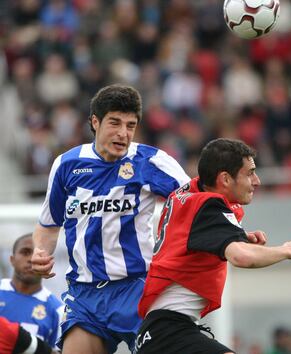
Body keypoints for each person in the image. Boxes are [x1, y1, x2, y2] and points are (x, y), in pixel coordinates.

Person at [30, 84, 190, 354]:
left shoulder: (151, 162)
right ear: (95, 121)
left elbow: (198, 204)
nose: (123, 133)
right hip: (85, 295)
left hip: (139, 289)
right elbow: (48, 224)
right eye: (115, 123)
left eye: (130, 125)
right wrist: (39, 252)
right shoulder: (66, 165)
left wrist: (231, 235)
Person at [135, 138, 291, 354]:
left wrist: (236, 235)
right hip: (169, 332)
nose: (257, 181)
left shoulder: (188, 194)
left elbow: (190, 237)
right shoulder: (207, 206)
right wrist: (287, 250)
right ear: (224, 178)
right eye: (250, 173)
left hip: (160, 332)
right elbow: (242, 257)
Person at [0, 234, 63, 352]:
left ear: (47, 262)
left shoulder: (57, 310)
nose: (31, 259)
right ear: (12, 260)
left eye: (38, 255)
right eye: (25, 252)